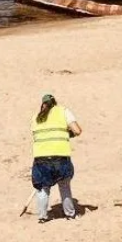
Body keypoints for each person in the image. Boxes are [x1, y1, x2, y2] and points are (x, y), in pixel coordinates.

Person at [30, 94, 83, 223]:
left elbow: (36, 136)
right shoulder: (63, 111)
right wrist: (67, 133)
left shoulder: (36, 118)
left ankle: (42, 216)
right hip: (60, 155)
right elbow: (77, 130)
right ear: (55, 103)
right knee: (64, 185)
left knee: (42, 188)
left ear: (43, 105)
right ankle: (70, 214)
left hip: (41, 157)